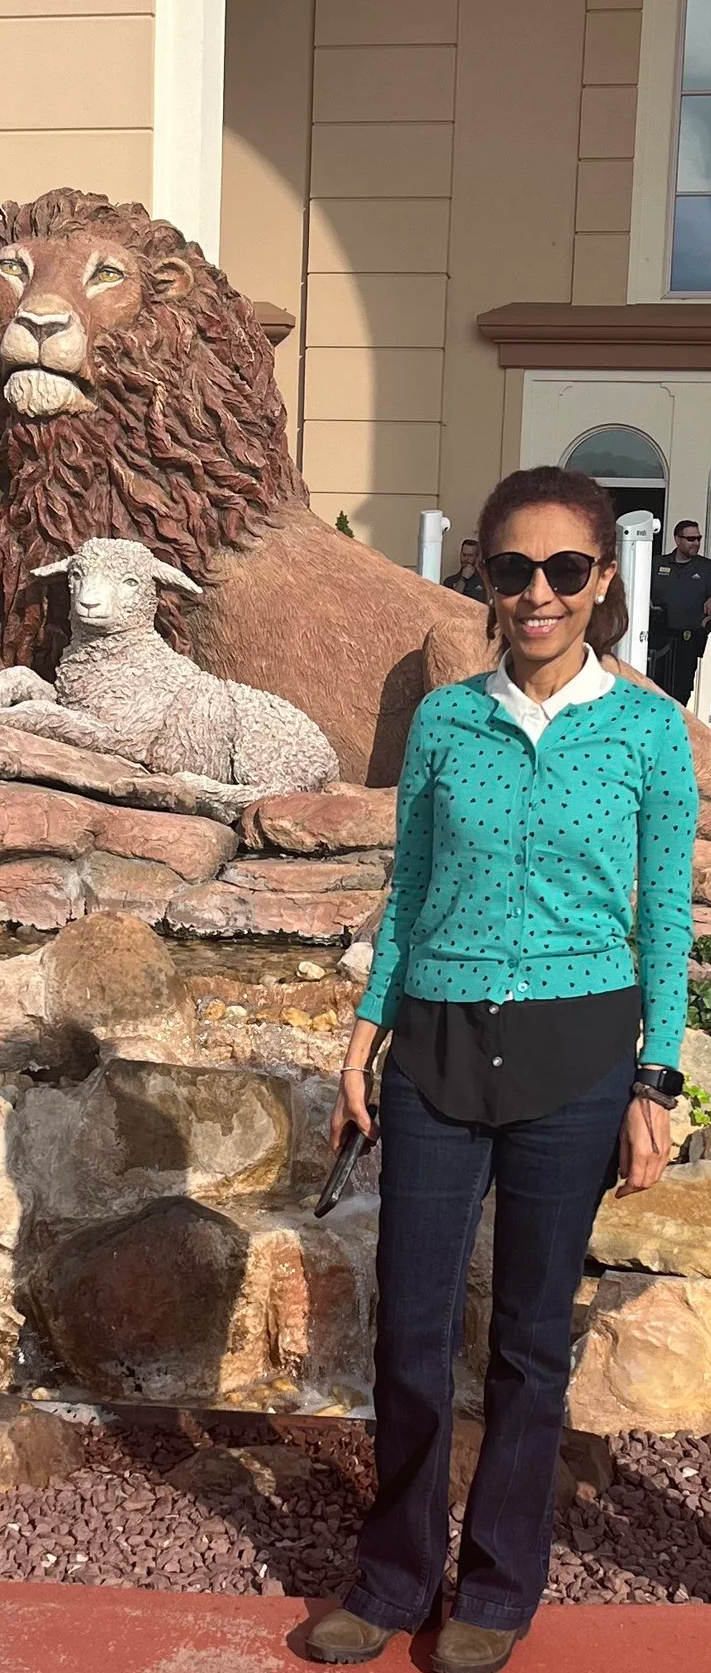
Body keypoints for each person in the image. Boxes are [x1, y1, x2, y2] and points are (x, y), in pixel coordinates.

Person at [308, 465, 694, 1673]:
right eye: (513, 568)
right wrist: (363, 1039)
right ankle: (393, 1576)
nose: (538, 592)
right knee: (411, 1327)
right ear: (484, 574)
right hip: (434, 1045)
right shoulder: (444, 721)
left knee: (530, 1340)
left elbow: (665, 919)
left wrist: (658, 1082)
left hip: (577, 1054)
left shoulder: (646, 730)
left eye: (564, 569)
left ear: (603, 578)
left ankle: (498, 1586)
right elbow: (411, 893)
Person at [648, 517, 711, 704]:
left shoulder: (706, 567)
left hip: (688, 640)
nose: (696, 543)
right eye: (691, 539)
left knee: (681, 695)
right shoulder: (658, 563)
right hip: (658, 640)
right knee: (653, 693)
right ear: (677, 540)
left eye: (698, 538)